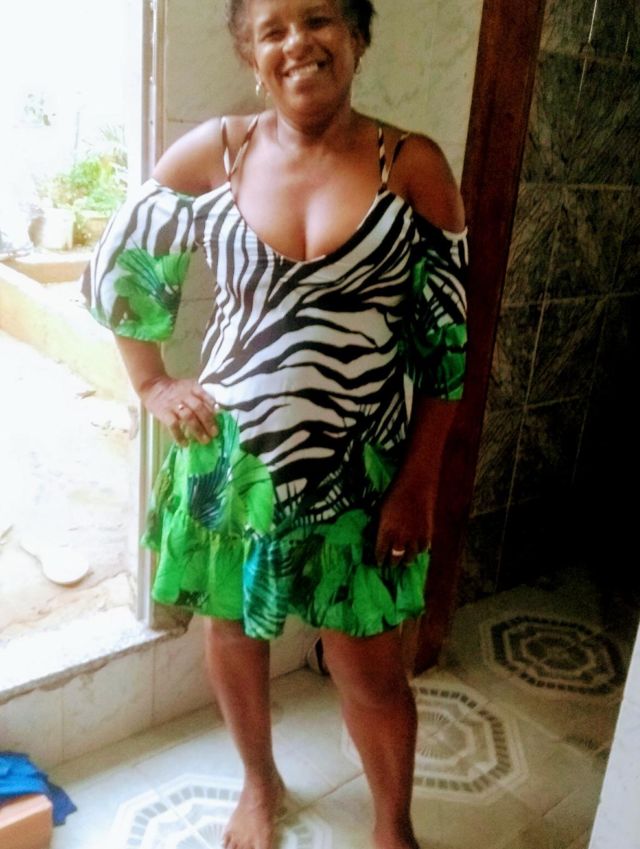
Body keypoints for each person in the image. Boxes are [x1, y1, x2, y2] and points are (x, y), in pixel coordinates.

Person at [83, 1, 468, 847]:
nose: (299, 43)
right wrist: (153, 385)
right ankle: (259, 785)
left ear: (357, 36)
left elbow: (447, 346)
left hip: (362, 477)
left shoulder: (413, 166)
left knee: (370, 669)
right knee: (232, 632)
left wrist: (419, 481)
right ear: (251, 56)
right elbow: (122, 272)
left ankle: (392, 826)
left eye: (320, 19)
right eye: (274, 29)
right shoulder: (215, 153)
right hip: (234, 467)